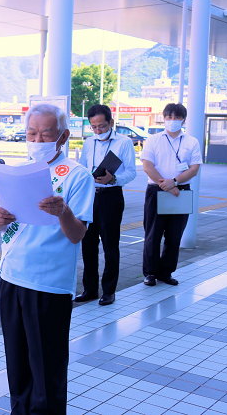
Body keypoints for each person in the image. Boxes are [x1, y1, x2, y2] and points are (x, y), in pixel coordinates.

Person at [0, 103, 94, 414]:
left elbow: (77, 234)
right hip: (10, 277)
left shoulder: (77, 175)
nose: (37, 140)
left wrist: (63, 212)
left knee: (46, 368)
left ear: (63, 136)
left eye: (45, 134)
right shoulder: (17, 171)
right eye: (31, 133)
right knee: (17, 363)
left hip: (48, 284)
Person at [77, 104, 136, 305]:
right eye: (93, 127)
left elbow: (132, 172)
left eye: (101, 126)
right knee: (88, 244)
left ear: (111, 122)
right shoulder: (88, 143)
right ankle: (90, 289)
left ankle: (109, 290)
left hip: (111, 196)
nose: (98, 131)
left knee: (110, 244)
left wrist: (113, 178)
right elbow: (83, 169)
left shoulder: (124, 142)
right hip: (90, 196)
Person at [141, 103, 201, 286]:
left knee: (175, 235)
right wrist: (165, 184)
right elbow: (147, 166)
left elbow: (194, 169)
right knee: (153, 233)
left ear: (184, 119)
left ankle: (165, 272)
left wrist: (174, 182)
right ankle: (150, 273)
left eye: (176, 117)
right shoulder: (153, 139)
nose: (172, 121)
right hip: (157, 189)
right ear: (164, 118)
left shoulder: (191, 141)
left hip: (180, 191)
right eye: (169, 117)